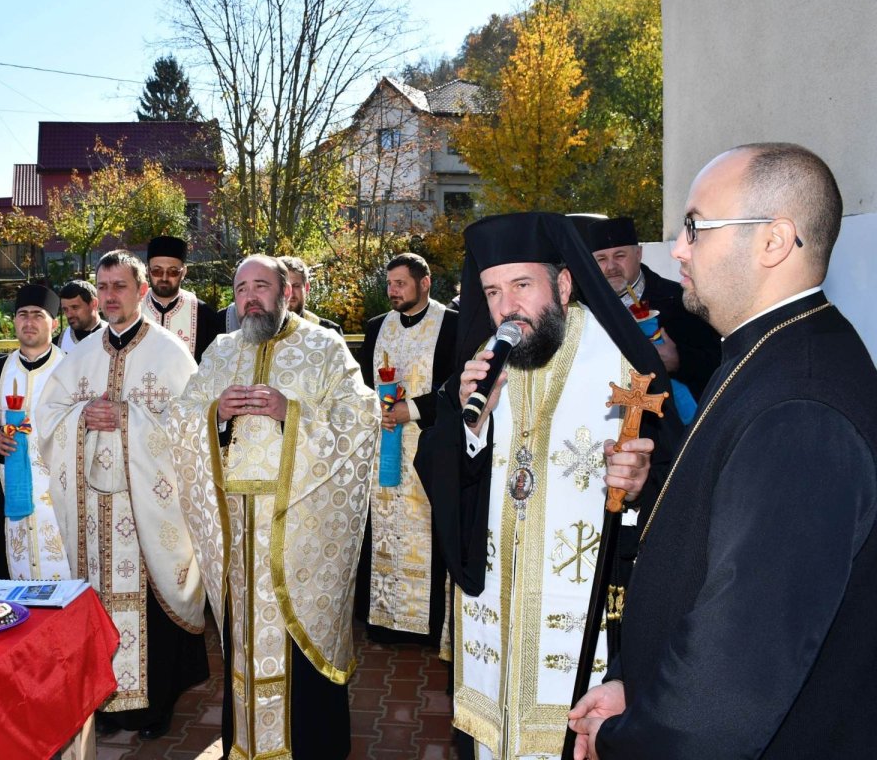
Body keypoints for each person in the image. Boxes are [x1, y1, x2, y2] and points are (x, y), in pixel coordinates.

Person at [569, 144, 877, 759]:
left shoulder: (802, 410)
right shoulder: (767, 352)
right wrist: (638, 687)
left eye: (695, 228)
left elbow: (738, 671)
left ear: (774, 241)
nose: (678, 249)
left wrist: (629, 741)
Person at [415, 212, 679, 760]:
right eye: (492, 291)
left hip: (584, 615)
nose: (507, 307)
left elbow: (677, 480)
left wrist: (640, 484)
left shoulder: (624, 363)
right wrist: (469, 432)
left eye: (521, 285)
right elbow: (442, 475)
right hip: (494, 616)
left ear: (561, 284)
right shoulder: (480, 369)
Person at [169, 255, 380, 760]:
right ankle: (246, 743)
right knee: (244, 639)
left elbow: (362, 419)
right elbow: (178, 419)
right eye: (241, 288)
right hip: (237, 526)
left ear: (288, 291)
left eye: (261, 285)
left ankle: (312, 748)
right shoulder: (219, 351)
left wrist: (293, 413)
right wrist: (214, 412)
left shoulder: (325, 347)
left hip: (301, 528)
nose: (250, 297)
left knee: (296, 640)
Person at [36, 250, 207, 740]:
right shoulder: (82, 354)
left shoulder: (170, 352)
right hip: (94, 510)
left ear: (140, 291)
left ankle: (156, 707)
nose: (111, 296)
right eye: (104, 287)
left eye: (120, 287)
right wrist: (80, 417)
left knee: (152, 604)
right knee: (99, 600)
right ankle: (106, 702)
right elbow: (50, 418)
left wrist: (131, 419)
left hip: (147, 508)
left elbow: (193, 425)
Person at [355, 252, 457, 646]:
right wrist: (375, 409)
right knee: (381, 526)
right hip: (383, 446)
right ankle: (385, 620)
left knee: (427, 528)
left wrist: (410, 409)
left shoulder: (451, 324)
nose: (392, 291)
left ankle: (427, 626)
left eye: (401, 283)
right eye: (390, 283)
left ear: (425, 282)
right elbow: (362, 385)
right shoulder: (377, 326)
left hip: (429, 445)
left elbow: (455, 386)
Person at [571, 214, 721, 403]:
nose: (611, 267)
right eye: (601, 259)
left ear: (638, 254)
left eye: (620, 256)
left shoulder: (681, 299)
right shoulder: (581, 307)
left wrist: (679, 360)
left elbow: (719, 360)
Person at [0, 284, 69, 580]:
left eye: (38, 315)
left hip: (60, 491)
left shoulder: (71, 368)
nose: (29, 322)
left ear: (53, 324)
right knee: (19, 571)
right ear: (14, 321)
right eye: (22, 315)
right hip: (12, 491)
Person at [141, 235, 220, 361]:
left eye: (173, 271)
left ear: (183, 272)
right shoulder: (133, 309)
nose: (164, 278)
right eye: (157, 271)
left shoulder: (203, 314)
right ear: (147, 270)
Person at [220, 256, 344, 335]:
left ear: (306, 288)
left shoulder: (329, 333)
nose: (289, 295)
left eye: (295, 286)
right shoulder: (253, 329)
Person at [56, 279, 104, 352]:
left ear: (94, 303)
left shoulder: (115, 336)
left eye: (75, 307)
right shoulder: (59, 342)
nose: (69, 315)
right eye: (65, 309)